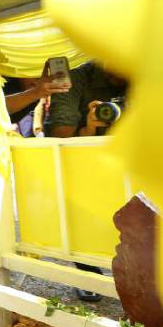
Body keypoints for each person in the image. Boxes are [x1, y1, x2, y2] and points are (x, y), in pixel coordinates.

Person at [45, 60, 129, 302]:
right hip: (82, 161)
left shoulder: (148, 75)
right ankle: (88, 275)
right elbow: (60, 134)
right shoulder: (77, 78)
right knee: (80, 212)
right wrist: (90, 127)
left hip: (132, 159)